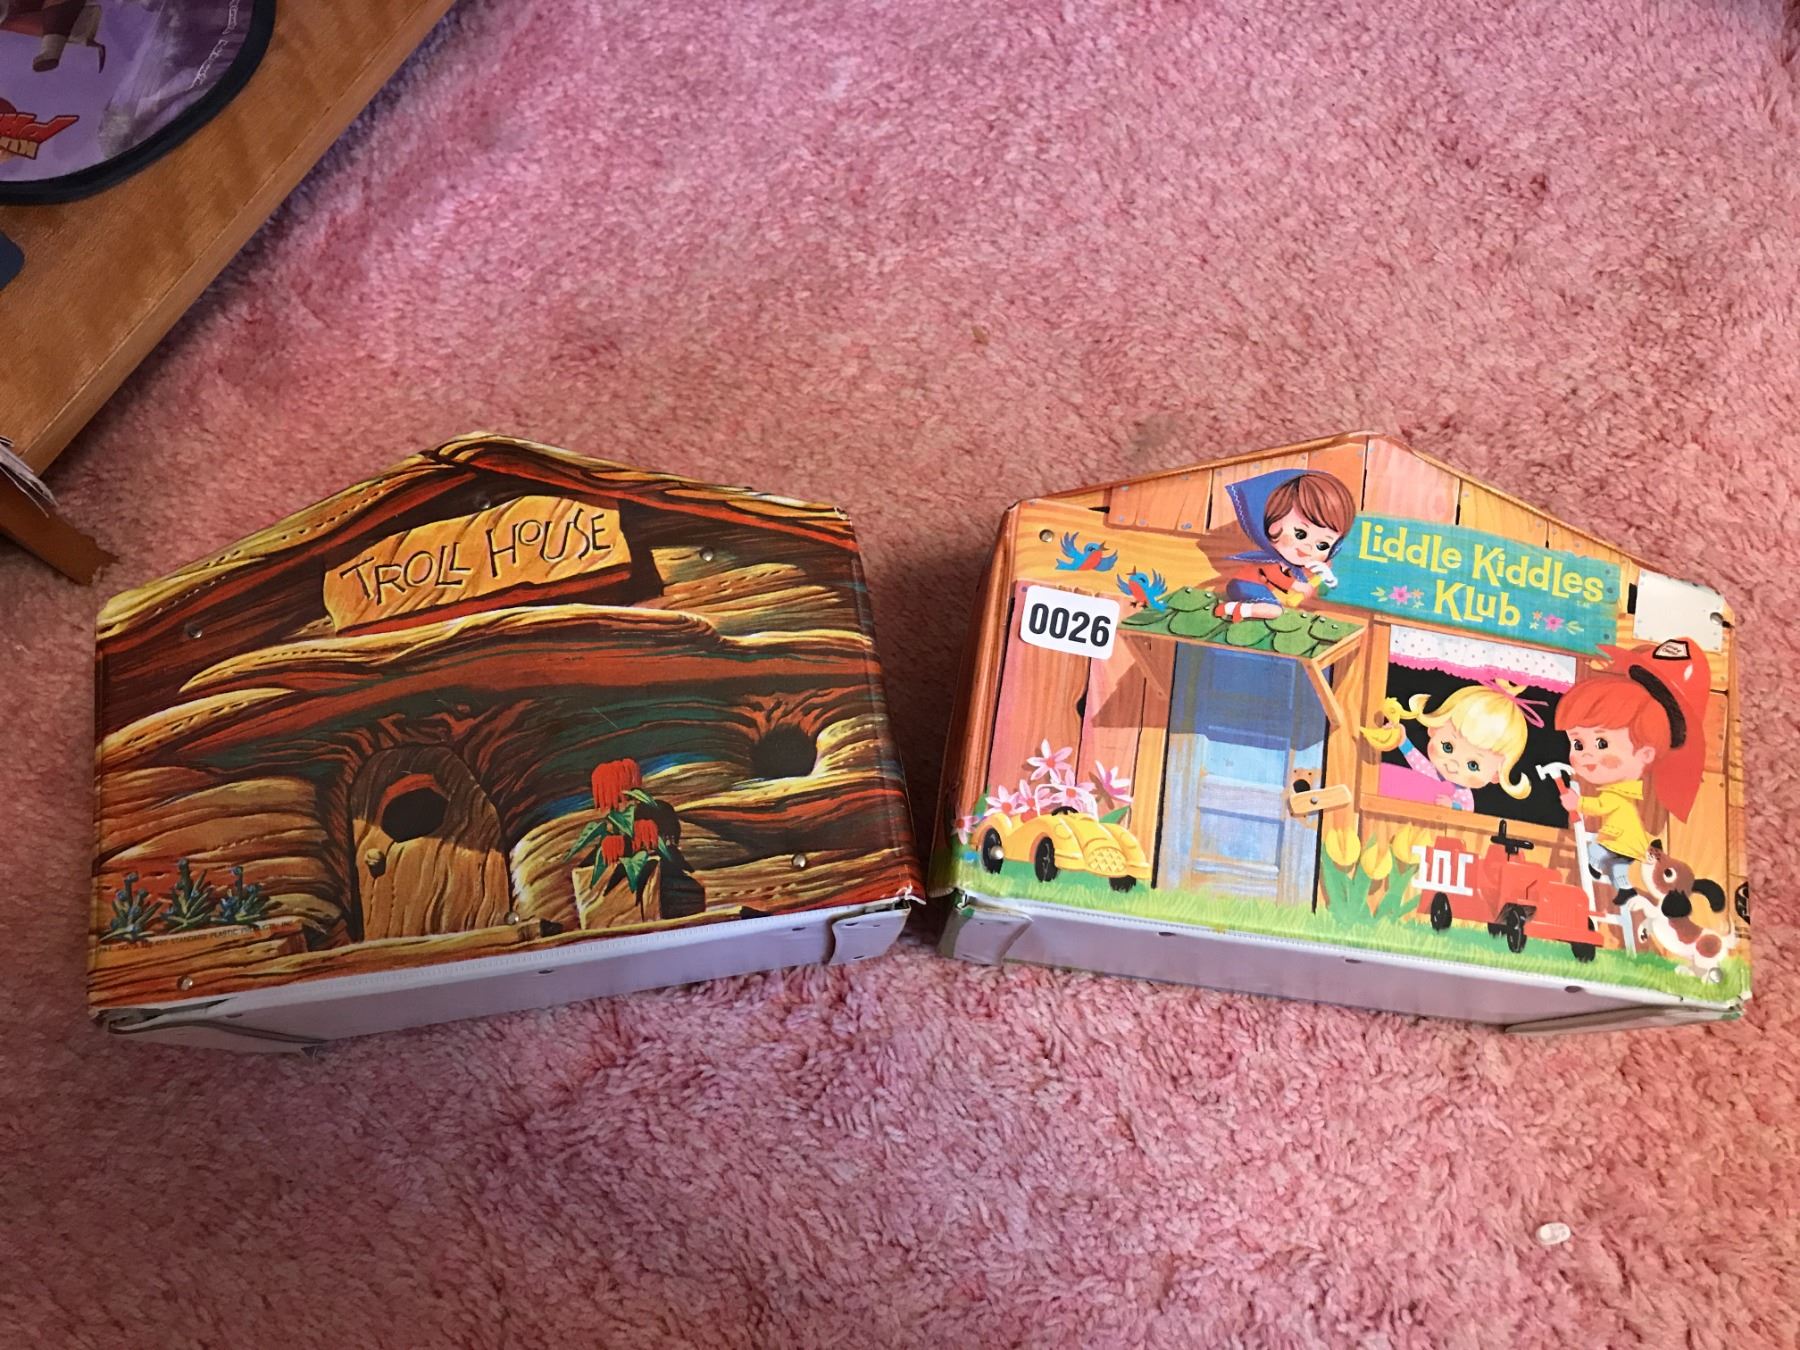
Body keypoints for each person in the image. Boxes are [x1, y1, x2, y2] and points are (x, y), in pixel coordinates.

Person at [1552, 639, 1711, 901]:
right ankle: (1621, 886)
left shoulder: (1620, 794)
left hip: (1620, 841)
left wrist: (1577, 802)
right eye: (1577, 744)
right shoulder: (1625, 790)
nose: (1585, 754)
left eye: (1601, 743)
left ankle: (1607, 877)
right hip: (1625, 842)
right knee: (1615, 867)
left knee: (1597, 855)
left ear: (1646, 754)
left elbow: (1601, 806)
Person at [1361, 679, 1540, 811]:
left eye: (1473, 765)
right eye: (1448, 747)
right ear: (1434, 729)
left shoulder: (1462, 794)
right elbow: (1416, 761)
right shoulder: (1431, 774)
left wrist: (1452, 805)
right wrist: (1402, 740)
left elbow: (1466, 809)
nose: (1453, 765)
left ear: (1496, 775)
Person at [1212, 468, 1357, 621]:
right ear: (1272, 522)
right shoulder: (1271, 561)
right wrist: (1296, 585)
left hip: (1252, 587)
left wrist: (1326, 576)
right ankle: (1231, 608)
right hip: (1245, 584)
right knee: (1274, 610)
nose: (1308, 547)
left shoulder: (1293, 565)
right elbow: (1274, 576)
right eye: (1300, 534)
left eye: (1322, 545)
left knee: (1273, 608)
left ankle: (1236, 609)